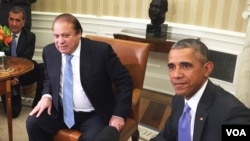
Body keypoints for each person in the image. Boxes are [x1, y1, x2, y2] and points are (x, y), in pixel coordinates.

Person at [26, 13, 133, 141]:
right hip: (61, 111)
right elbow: (49, 78)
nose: (60, 41)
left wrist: (118, 115)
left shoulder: (101, 52)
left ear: (79, 33)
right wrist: (47, 96)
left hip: (94, 114)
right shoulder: (50, 52)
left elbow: (125, 81)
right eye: (56, 36)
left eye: (66, 35)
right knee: (33, 123)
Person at [150, 38, 250, 141]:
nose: (176, 75)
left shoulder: (231, 112)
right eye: (172, 67)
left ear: (207, 69)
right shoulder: (179, 99)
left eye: (185, 66)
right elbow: (166, 136)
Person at [1, 6, 43, 118]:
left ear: (23, 22)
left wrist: (17, 77)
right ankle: (15, 94)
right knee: (13, 113)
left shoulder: (30, 37)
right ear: (8, 19)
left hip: (22, 74)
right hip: (5, 76)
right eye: (11, 19)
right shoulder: (1, 34)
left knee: (43, 68)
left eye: (18, 20)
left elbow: (26, 59)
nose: (14, 23)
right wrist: (9, 77)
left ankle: (37, 104)